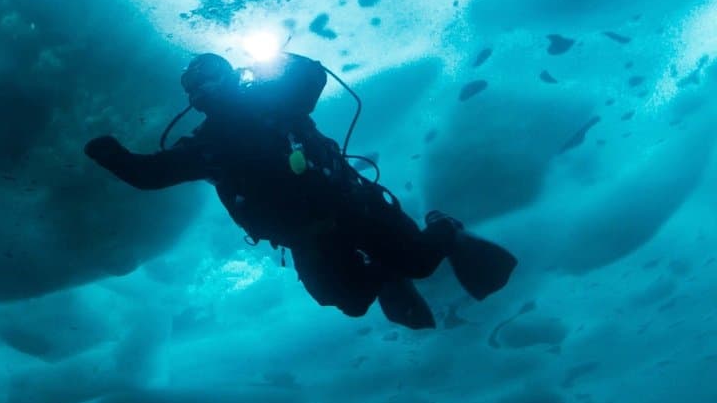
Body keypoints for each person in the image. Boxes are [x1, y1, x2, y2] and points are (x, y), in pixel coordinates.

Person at [84, 52, 517, 329]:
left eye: (214, 76)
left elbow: (311, 75)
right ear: (192, 99)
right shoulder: (205, 146)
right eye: (197, 86)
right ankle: (385, 274)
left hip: (354, 205)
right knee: (348, 301)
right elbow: (149, 176)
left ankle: (442, 227)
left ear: (232, 75)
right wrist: (105, 151)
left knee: (421, 264)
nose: (206, 88)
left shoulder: (276, 101)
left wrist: (271, 64)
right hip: (308, 237)